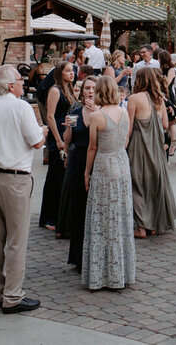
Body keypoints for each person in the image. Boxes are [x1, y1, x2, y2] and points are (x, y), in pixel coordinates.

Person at [0, 64, 47, 314]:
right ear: (9, 84)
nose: (22, 82)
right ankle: (13, 295)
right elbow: (37, 142)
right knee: (16, 239)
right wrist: (44, 132)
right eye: (19, 78)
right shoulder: (21, 107)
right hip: (14, 178)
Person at [81, 75, 136, 290]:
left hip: (104, 164)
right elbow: (125, 139)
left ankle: (101, 273)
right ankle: (121, 272)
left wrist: (87, 172)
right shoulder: (124, 113)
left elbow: (92, 147)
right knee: (120, 216)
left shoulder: (97, 116)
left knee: (102, 218)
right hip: (122, 163)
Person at [125, 68, 176, 238]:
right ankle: (154, 225)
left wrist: (123, 147)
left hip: (139, 145)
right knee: (155, 182)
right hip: (156, 145)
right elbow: (164, 124)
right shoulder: (159, 99)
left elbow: (129, 128)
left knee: (138, 184)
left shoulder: (133, 99)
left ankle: (141, 227)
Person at [61, 77, 95, 270]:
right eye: (87, 88)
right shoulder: (75, 112)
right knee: (78, 208)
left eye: (93, 88)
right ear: (81, 92)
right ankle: (78, 257)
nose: (90, 91)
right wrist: (67, 128)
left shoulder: (102, 112)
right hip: (78, 160)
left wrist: (95, 112)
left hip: (96, 162)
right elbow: (68, 141)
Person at [41, 61, 77, 231]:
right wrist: (57, 139)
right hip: (58, 136)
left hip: (68, 134)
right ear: (60, 73)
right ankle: (49, 217)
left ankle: (60, 214)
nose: (72, 73)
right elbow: (50, 117)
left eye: (73, 71)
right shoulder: (55, 91)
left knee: (63, 177)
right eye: (68, 71)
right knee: (54, 177)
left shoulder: (69, 90)